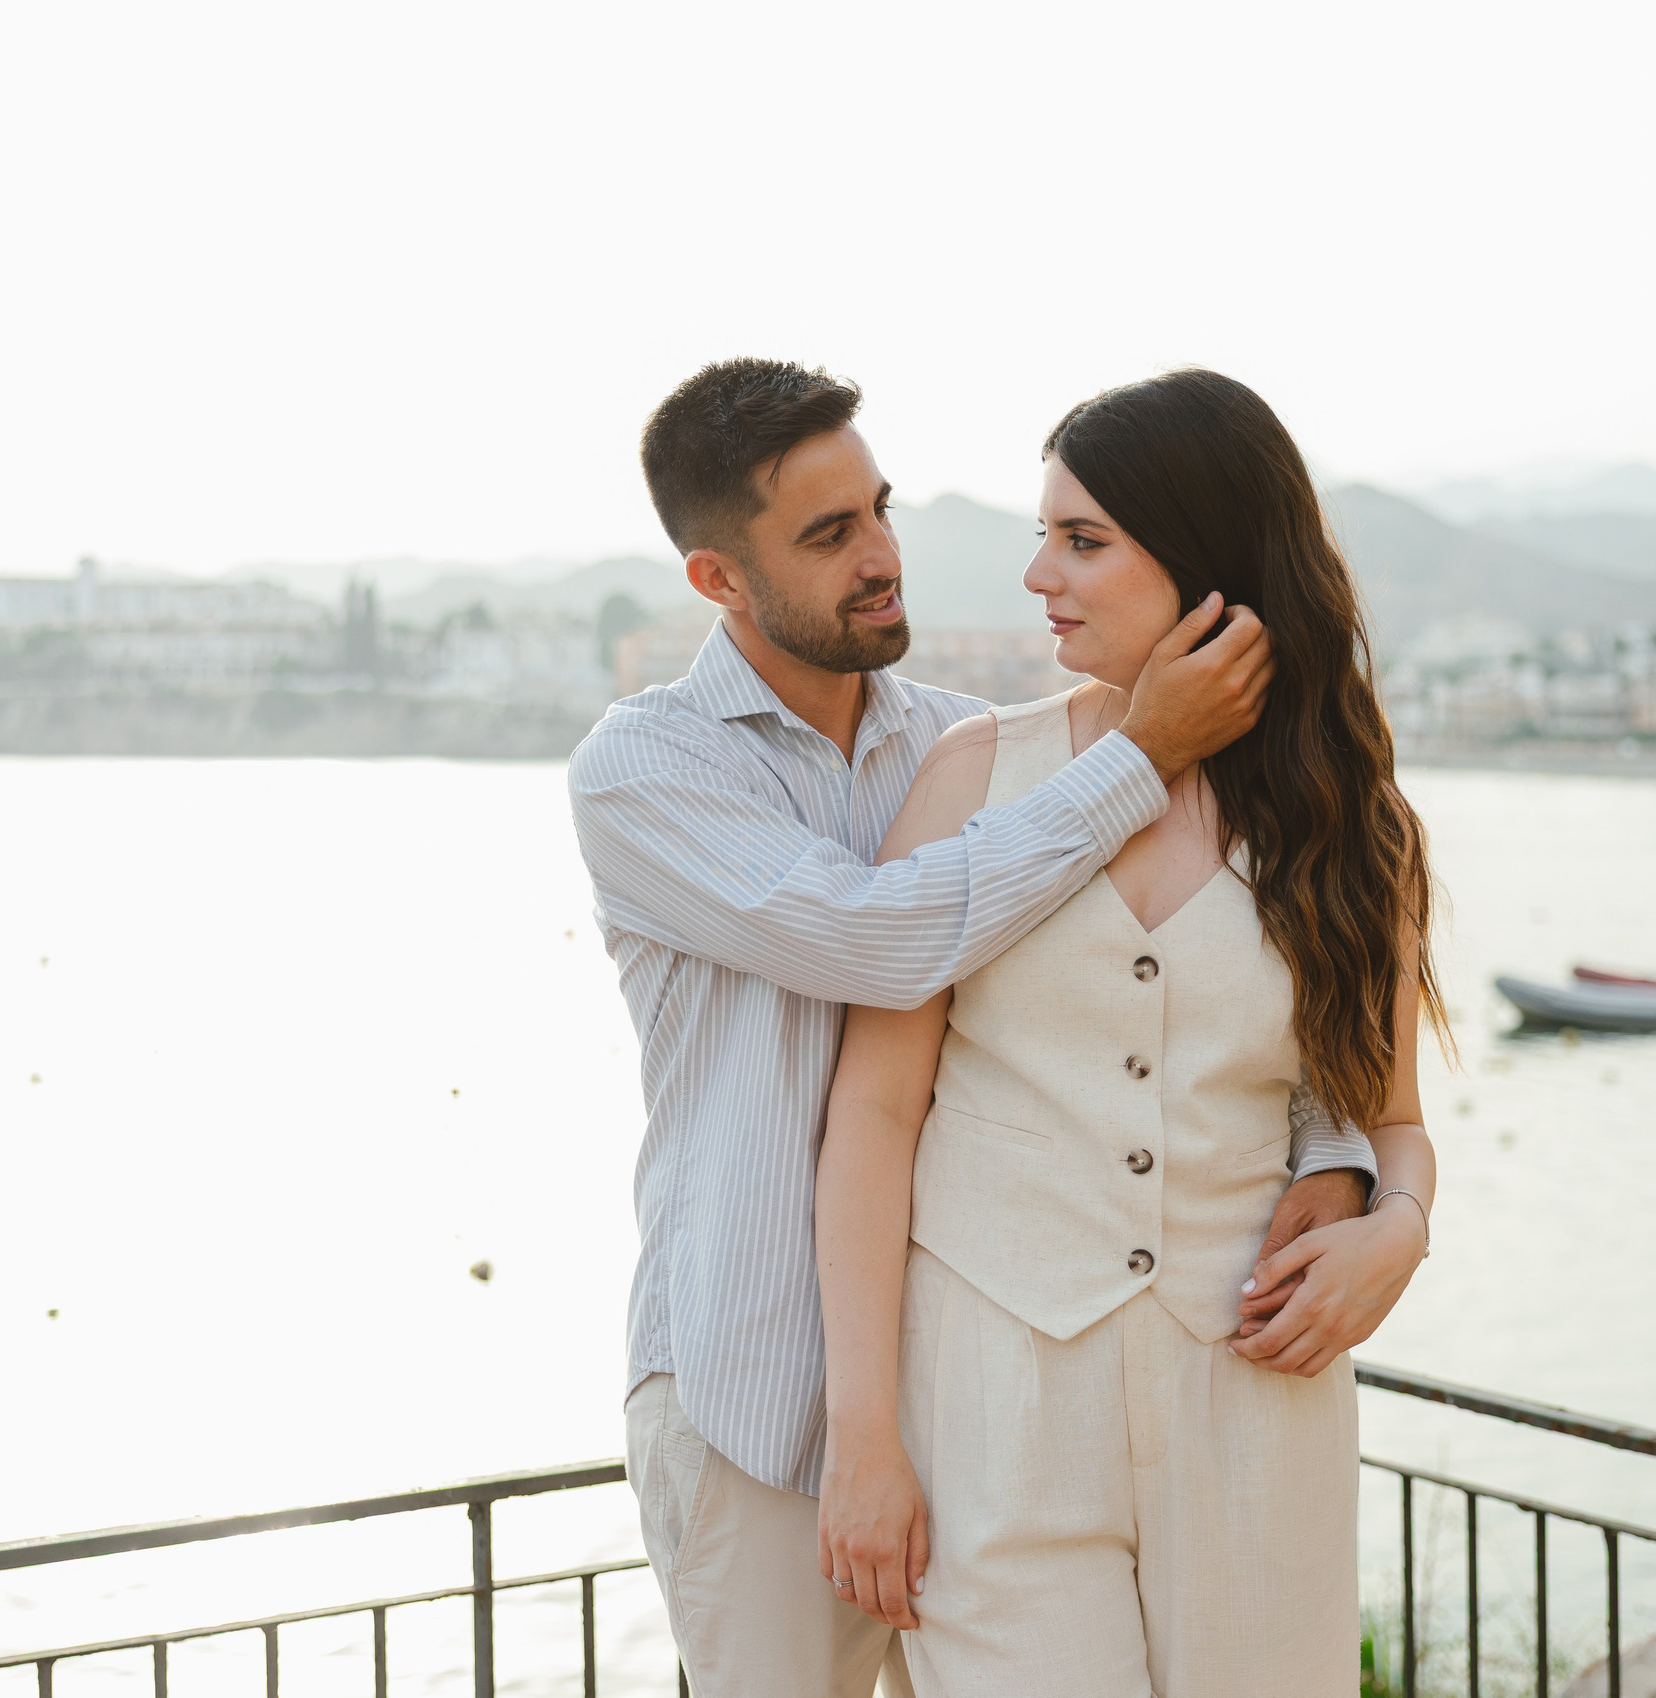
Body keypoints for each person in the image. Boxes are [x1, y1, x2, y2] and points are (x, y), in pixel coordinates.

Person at [568, 358, 1384, 1698]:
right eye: (829, 537)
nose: (884, 556)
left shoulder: (964, 748)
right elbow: (883, 942)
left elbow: (1233, 997)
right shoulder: (647, 771)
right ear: (720, 579)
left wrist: (1340, 1155)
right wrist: (1142, 758)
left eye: (879, 509)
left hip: (983, 1388)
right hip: (762, 1384)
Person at [812, 368, 1445, 1697]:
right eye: (1046, 532)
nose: (1040, 572)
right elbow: (872, 1116)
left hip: (1254, 1389)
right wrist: (864, 1432)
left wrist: (1397, 1230)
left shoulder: (1351, 827)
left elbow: (1387, 1119)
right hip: (992, 1398)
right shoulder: (972, 777)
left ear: (1205, 558)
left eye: (1083, 539)